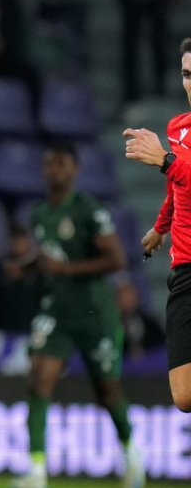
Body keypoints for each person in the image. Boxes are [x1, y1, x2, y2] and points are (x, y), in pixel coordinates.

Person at [10, 141, 143, 488]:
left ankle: (132, 454)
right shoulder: (40, 213)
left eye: (60, 164)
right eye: (48, 164)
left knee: (107, 392)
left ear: (75, 170)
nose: (52, 170)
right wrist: (25, 266)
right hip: (58, 310)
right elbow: (48, 256)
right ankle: (37, 471)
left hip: (95, 313)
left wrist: (65, 269)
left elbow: (116, 260)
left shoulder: (88, 209)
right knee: (38, 380)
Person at [123, 35, 191, 413]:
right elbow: (177, 187)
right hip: (184, 269)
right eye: (187, 74)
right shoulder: (179, 128)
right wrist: (161, 226)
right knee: (184, 396)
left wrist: (165, 161)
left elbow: (175, 170)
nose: (190, 84)